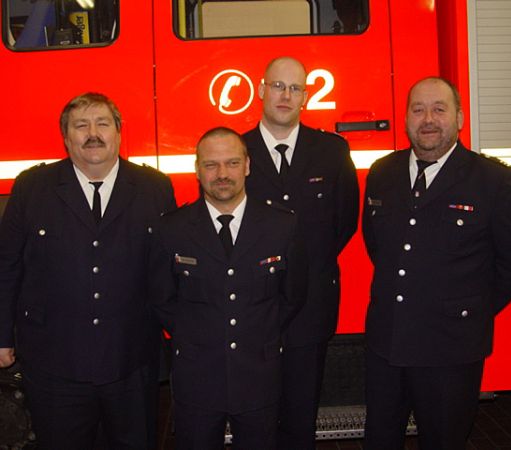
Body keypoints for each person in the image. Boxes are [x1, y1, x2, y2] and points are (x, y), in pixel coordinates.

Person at [362, 76, 511, 450]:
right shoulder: (383, 173)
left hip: (451, 348)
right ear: (406, 118)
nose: (428, 119)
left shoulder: (491, 179)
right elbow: (378, 247)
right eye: (418, 109)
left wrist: (472, 307)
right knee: (380, 438)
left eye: (439, 109)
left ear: (460, 118)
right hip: (387, 342)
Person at [0, 92, 176, 450]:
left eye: (102, 124)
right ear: (66, 138)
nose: (92, 133)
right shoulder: (32, 187)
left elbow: (169, 270)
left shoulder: (154, 187)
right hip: (54, 362)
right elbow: (7, 264)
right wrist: (2, 336)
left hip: (131, 360)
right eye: (81, 125)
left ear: (119, 133)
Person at [149, 127, 308, 450]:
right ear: (197, 169)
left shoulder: (282, 225)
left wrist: (258, 333)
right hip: (197, 375)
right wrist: (197, 336)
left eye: (232, 163)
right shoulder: (171, 228)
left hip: (259, 373)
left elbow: (293, 295)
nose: (222, 174)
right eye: (211, 165)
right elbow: (161, 298)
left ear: (247, 166)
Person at [243, 56, 359, 449]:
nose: (285, 95)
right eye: (278, 86)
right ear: (262, 90)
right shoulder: (235, 149)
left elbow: (344, 223)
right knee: (253, 415)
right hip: (251, 308)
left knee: (300, 416)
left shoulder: (331, 150)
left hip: (311, 305)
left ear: (306, 97)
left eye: (295, 88)